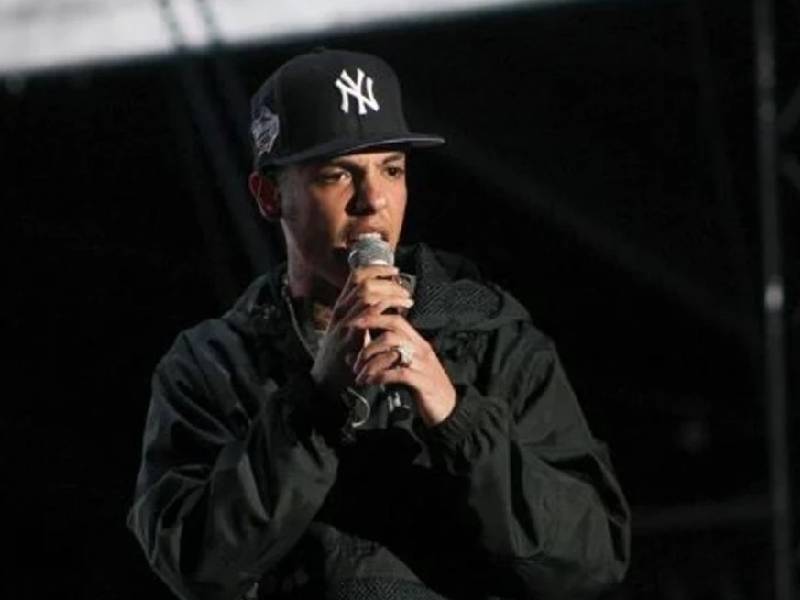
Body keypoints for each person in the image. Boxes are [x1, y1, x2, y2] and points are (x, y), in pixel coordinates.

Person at [127, 48, 630, 600]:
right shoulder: (214, 365)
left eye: (391, 169)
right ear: (271, 195)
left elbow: (592, 559)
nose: (373, 201)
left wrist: (460, 420)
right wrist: (314, 404)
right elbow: (196, 565)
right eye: (337, 174)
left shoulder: (490, 335)